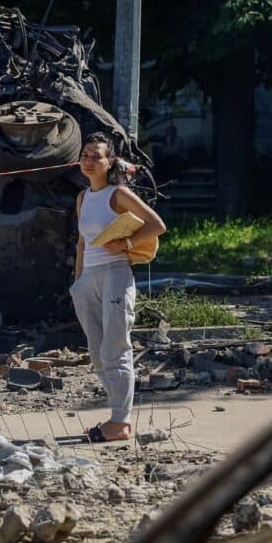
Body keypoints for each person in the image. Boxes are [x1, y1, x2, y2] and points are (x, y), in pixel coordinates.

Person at [71, 132, 166, 442]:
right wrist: (78, 282)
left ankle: (120, 422)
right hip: (89, 279)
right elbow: (82, 243)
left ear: (109, 161)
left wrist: (125, 243)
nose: (88, 161)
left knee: (116, 348)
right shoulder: (83, 197)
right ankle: (116, 413)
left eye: (96, 156)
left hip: (116, 274)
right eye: (85, 155)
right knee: (97, 353)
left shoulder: (118, 194)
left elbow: (157, 225)